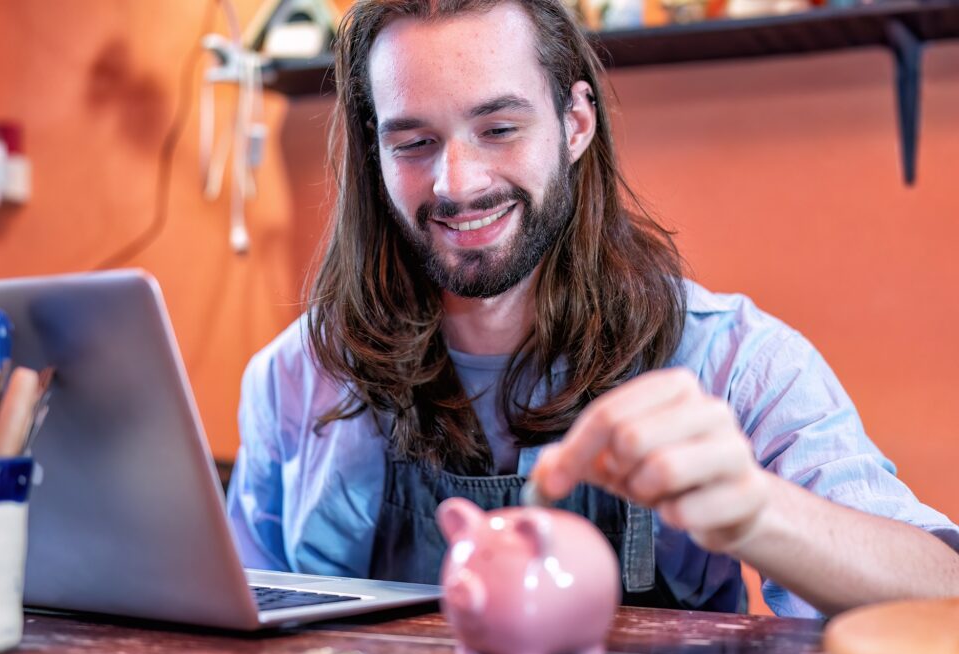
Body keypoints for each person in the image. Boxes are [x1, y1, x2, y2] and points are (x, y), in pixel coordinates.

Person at [227, 0, 959, 617]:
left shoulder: (735, 362)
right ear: (375, 155)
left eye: (499, 128)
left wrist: (758, 511)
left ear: (576, 123)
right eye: (414, 142)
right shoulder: (294, 382)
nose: (456, 183)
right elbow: (238, 624)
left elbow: (944, 598)